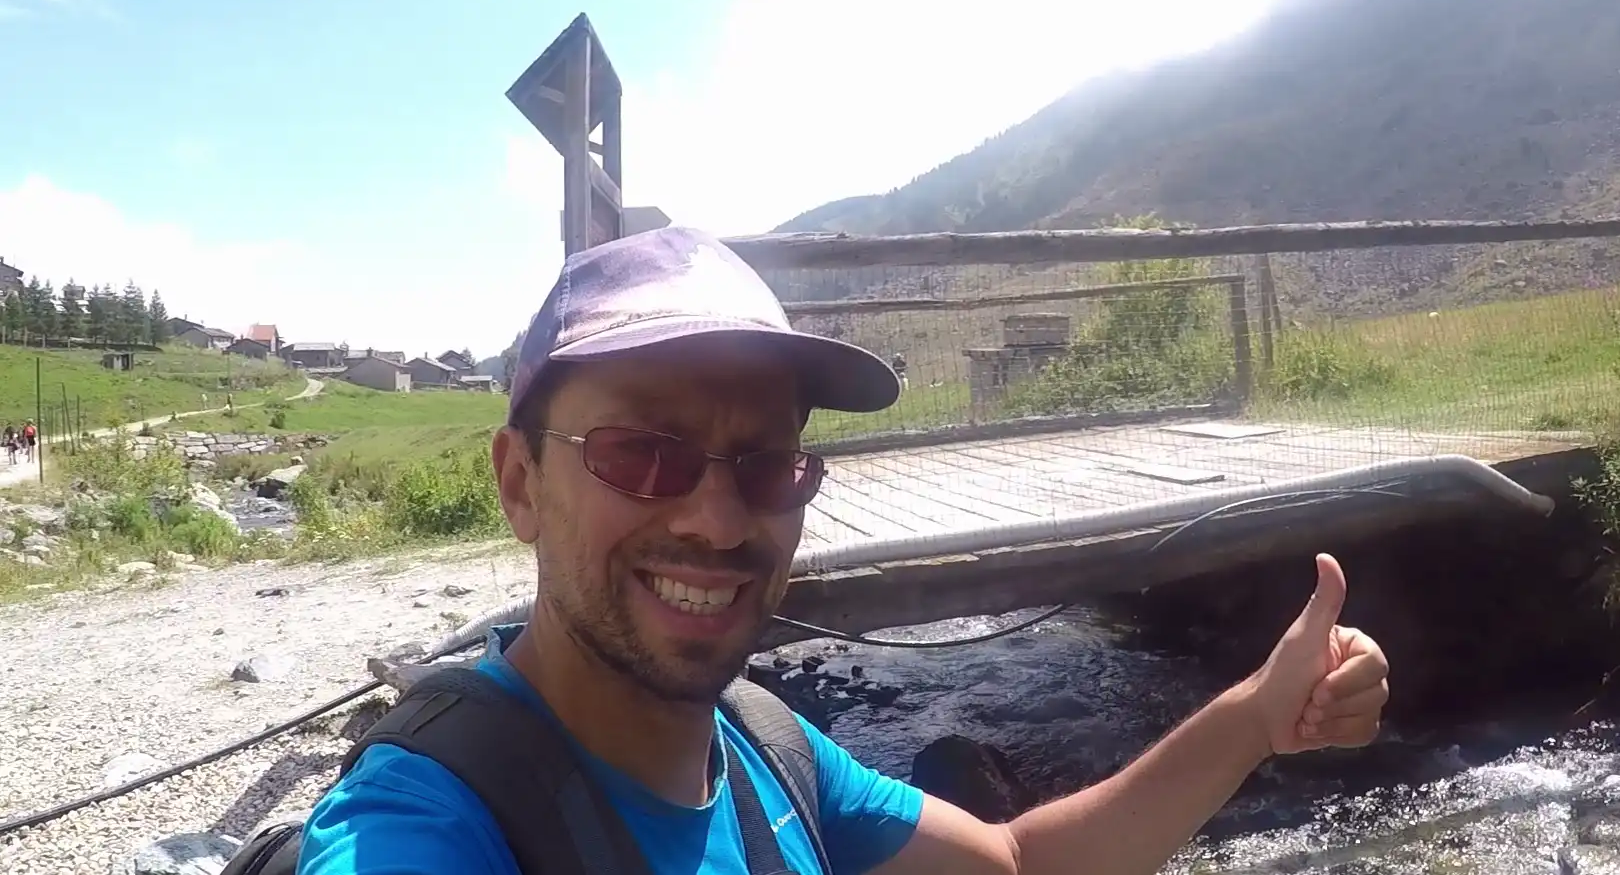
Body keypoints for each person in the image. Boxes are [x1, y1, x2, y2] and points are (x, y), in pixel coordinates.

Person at [296, 227, 1390, 875]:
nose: (719, 523)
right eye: (643, 454)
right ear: (520, 484)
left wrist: (1256, 716)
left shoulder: (772, 751)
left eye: (766, 464)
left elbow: (1019, 864)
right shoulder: (432, 819)